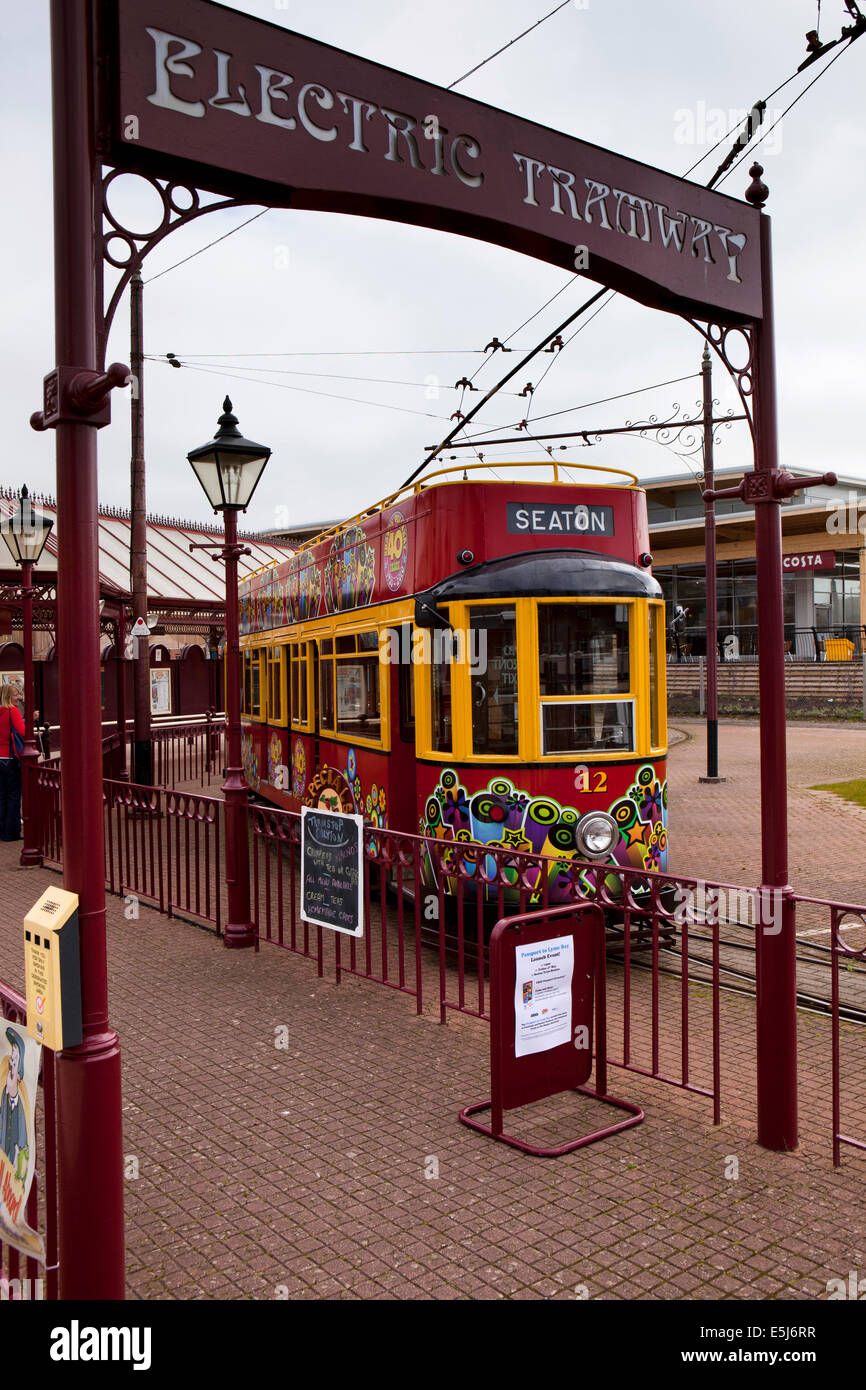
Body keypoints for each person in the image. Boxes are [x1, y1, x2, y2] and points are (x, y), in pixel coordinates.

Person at [0, 683, 25, 841]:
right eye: (16, 695)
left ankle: (1, 831)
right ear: (9, 696)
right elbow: (23, 731)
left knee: (1, 796)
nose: (18, 697)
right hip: (9, 759)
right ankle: (11, 833)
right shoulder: (12, 711)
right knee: (13, 796)